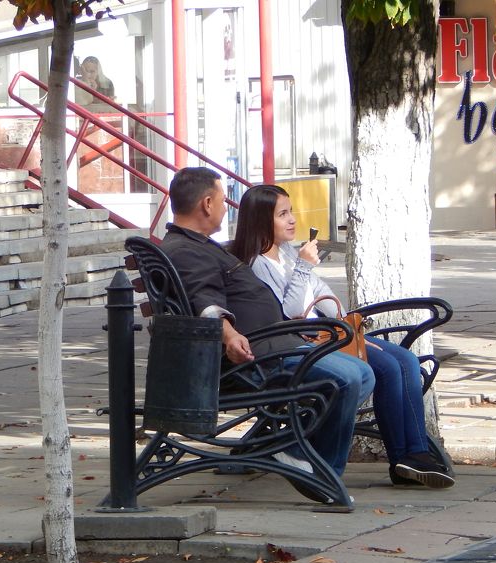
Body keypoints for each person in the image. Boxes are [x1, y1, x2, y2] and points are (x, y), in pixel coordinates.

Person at [231, 184, 455, 489]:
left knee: (405, 360)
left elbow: (321, 294)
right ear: (260, 221)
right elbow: (292, 311)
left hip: (329, 333)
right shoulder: (259, 264)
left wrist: (346, 323)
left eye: (291, 211)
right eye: (282, 214)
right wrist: (303, 267)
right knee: (388, 368)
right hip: (304, 341)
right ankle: (403, 455)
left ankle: (412, 455)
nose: (292, 219)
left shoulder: (286, 253)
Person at [159, 167, 374, 479]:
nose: (225, 208)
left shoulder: (197, 245)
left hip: (276, 345)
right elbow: (204, 302)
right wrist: (230, 334)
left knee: (361, 374)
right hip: (258, 357)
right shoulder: (187, 251)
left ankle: (300, 455)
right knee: (349, 378)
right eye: (222, 201)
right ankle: (315, 468)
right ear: (206, 204)